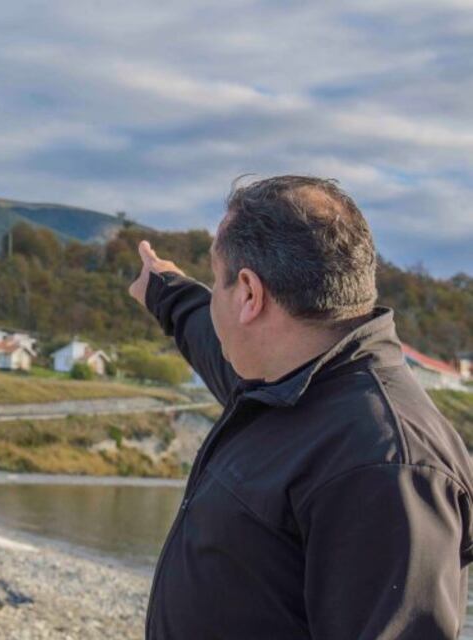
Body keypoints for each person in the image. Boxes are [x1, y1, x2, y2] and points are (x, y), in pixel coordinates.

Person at [128, 175, 473, 639]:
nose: (215, 300)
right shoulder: (289, 382)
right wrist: (166, 292)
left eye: (217, 281)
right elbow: (216, 346)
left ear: (249, 294)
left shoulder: (386, 464)